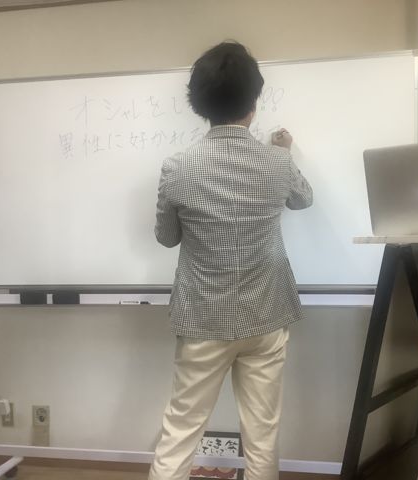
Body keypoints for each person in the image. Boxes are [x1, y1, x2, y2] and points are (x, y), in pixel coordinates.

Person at [149, 41, 313, 480]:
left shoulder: (178, 167)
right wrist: (285, 151)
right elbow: (304, 199)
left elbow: (166, 238)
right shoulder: (277, 163)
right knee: (262, 434)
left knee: (181, 429)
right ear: (254, 103)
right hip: (266, 315)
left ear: (199, 104)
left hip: (203, 318)